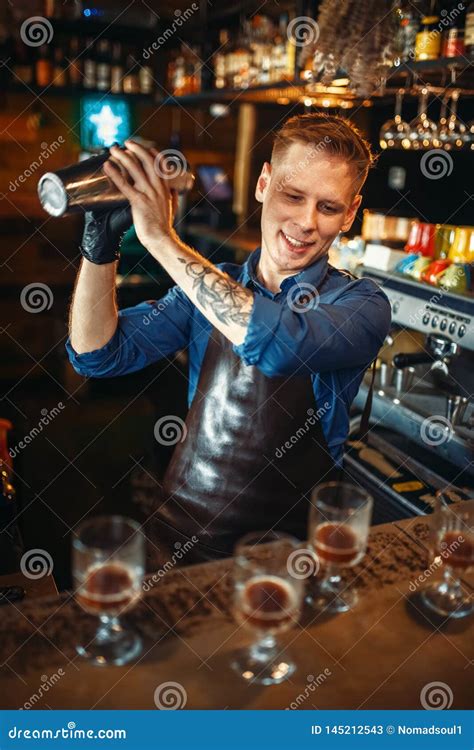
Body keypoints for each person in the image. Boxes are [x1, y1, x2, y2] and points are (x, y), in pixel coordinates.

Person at [66, 113, 391, 566]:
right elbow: (97, 355)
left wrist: (161, 238)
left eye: (329, 207)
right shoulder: (209, 289)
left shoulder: (362, 305)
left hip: (278, 564)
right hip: (173, 543)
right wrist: (99, 249)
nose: (305, 222)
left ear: (351, 213)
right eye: (293, 195)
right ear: (264, 183)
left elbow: (276, 346)